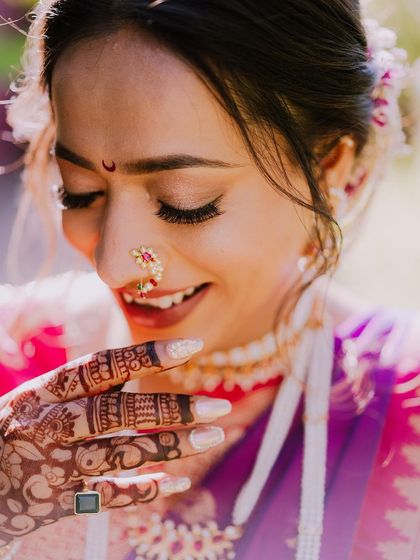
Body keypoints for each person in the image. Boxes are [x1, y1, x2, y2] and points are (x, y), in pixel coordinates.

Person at [0, 1, 419, 559]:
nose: (114, 265)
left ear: (328, 169)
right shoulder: (14, 365)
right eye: (80, 192)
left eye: (185, 205)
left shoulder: (403, 406)